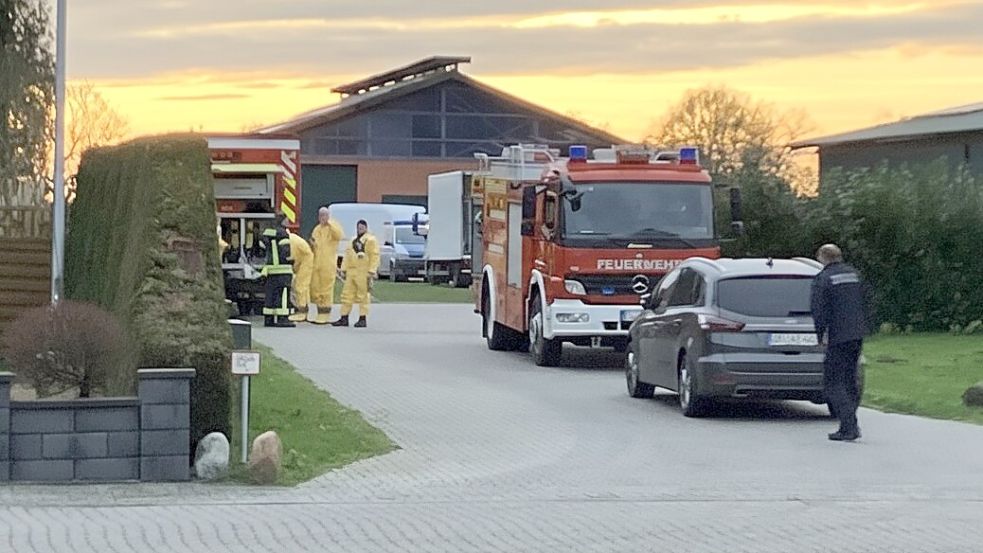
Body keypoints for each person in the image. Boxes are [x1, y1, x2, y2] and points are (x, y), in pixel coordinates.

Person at [810, 243, 868, 441]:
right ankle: (849, 424)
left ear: (822, 257)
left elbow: (819, 311)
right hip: (857, 334)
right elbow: (867, 300)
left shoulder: (823, 279)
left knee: (834, 382)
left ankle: (849, 426)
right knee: (850, 379)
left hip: (837, 335)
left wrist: (820, 335)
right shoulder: (855, 275)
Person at [333, 219, 379, 328]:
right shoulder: (352, 240)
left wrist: (372, 271)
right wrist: (343, 269)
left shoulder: (370, 240)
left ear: (366, 228)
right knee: (346, 295)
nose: (360, 230)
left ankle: (362, 318)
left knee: (363, 296)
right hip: (351, 272)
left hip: (363, 272)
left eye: (362, 228)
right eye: (359, 228)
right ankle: (344, 317)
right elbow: (347, 255)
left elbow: (374, 256)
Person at [309, 206, 345, 324]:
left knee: (326, 290)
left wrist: (329, 222)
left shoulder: (332, 227)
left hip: (328, 264)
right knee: (315, 289)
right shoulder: (317, 229)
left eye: (324, 215)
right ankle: (319, 313)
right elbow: (313, 243)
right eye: (320, 215)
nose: (322, 218)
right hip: (317, 264)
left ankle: (325, 314)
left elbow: (339, 235)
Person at [260, 214, 295, 328]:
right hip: (282, 269)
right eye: (287, 220)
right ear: (282, 221)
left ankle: (268, 319)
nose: (288, 222)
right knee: (283, 294)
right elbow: (285, 252)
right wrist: (291, 260)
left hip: (270, 270)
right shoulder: (283, 233)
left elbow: (262, 246)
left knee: (270, 294)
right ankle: (283, 318)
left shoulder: (267, 232)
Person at [287, 230, 315, 323]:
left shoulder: (290, 241)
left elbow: (290, 257)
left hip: (306, 261)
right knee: (302, 286)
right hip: (304, 260)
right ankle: (304, 310)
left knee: (300, 286)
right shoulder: (292, 238)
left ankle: (301, 312)